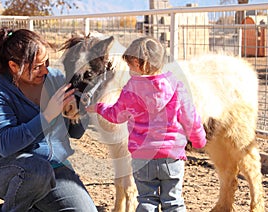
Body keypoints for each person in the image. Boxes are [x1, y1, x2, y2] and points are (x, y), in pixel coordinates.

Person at [0, 28, 98, 212]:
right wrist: (48, 115)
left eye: (46, 62)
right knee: (37, 171)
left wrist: (81, 113)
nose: (45, 70)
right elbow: (5, 145)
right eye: (37, 66)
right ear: (14, 66)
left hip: (53, 165)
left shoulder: (55, 78)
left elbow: (76, 133)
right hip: (1, 165)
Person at [86, 36, 207, 211]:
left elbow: (116, 115)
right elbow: (191, 117)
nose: (128, 71)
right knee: (173, 201)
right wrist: (199, 140)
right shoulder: (176, 85)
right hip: (172, 156)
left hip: (142, 158)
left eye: (129, 66)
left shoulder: (130, 89)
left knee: (146, 201)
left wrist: (100, 107)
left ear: (137, 63)